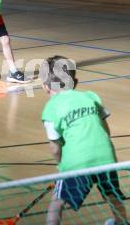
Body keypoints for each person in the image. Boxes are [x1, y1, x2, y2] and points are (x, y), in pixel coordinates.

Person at [41, 55, 127, 225]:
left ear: (45, 87)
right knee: (111, 194)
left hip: (76, 163)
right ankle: (122, 221)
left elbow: (55, 148)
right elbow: (105, 130)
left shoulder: (50, 108)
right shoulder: (91, 96)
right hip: (106, 158)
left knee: (57, 202)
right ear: (76, 81)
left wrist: (61, 166)